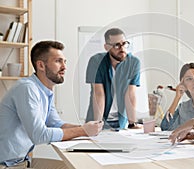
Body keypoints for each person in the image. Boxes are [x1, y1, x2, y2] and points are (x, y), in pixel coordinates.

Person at [0, 40, 103, 169]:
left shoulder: (45, 91)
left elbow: (55, 123)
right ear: (41, 66)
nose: (64, 67)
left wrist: (87, 128)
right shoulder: (27, 89)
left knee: (72, 167)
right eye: (58, 61)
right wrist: (83, 131)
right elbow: (39, 135)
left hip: (24, 161)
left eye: (64, 62)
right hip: (8, 165)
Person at [85, 28, 141, 129]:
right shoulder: (96, 61)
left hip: (120, 121)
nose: (122, 48)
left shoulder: (133, 62)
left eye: (124, 43)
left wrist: (132, 123)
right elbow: (99, 94)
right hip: (98, 119)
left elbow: (130, 94)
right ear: (106, 47)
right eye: (117, 45)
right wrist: (98, 124)